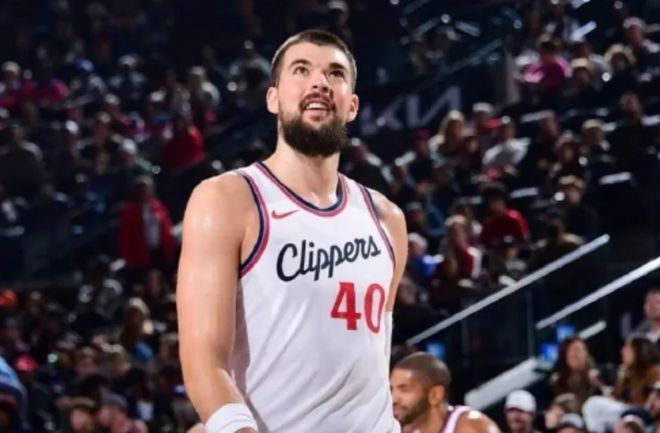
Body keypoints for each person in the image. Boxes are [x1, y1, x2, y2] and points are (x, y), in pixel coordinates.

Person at [176, 30, 407, 433]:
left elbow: (371, 356)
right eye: (301, 70)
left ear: (352, 105)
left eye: (335, 73)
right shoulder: (228, 199)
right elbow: (203, 360)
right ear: (273, 98)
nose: (320, 82)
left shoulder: (388, 219)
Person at [390, 352, 501, 433]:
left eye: (404, 389)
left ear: (435, 394)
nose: (393, 399)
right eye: (392, 390)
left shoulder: (471, 427)